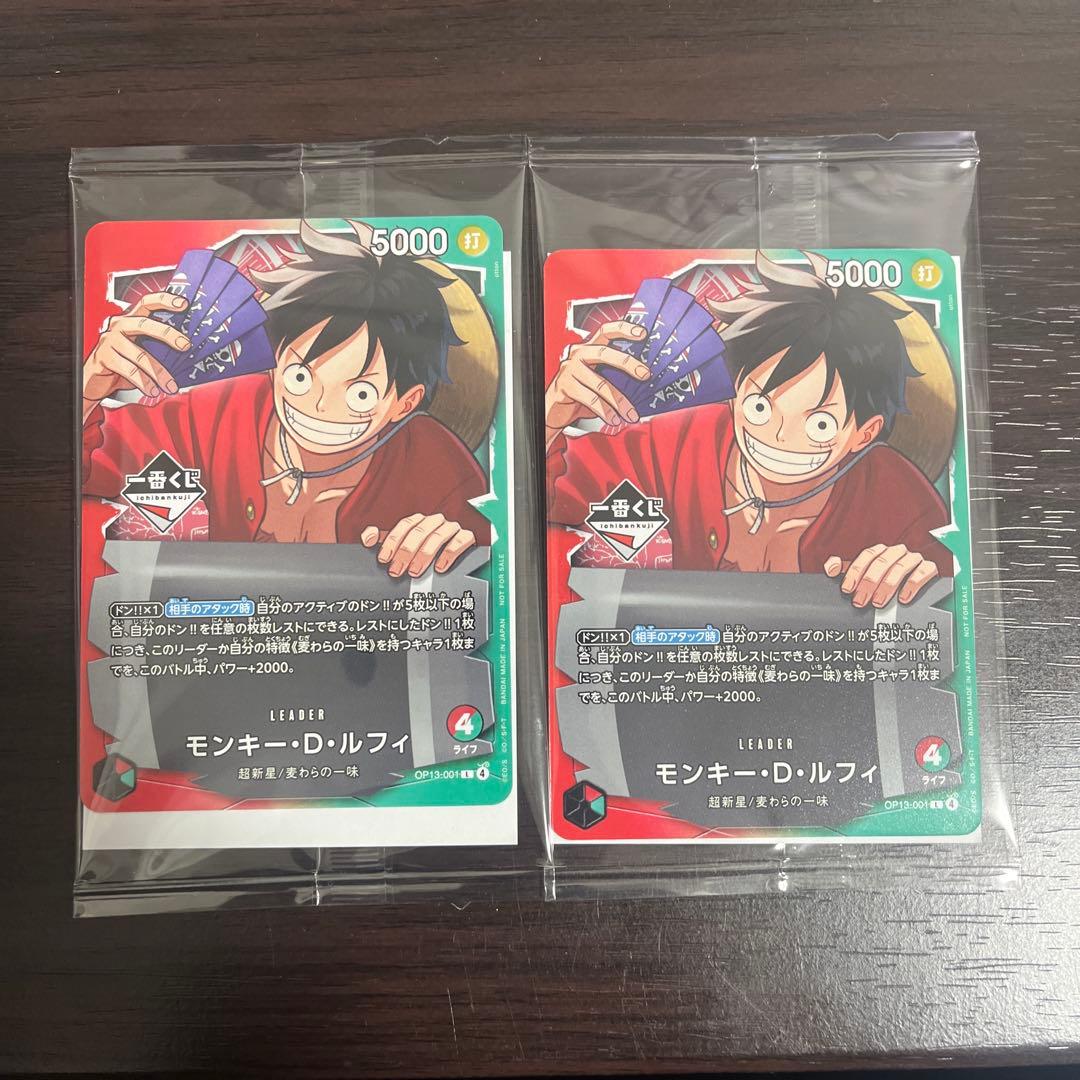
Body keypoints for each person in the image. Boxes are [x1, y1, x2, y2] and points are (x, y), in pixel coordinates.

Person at [82, 221, 489, 578]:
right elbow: (95, 464)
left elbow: (489, 564)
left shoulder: (437, 468)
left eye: (360, 394)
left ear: (405, 402)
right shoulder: (219, 414)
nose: (318, 406)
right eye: (300, 377)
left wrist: (457, 546)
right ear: (275, 362)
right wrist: (88, 389)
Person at [546, 251, 952, 609]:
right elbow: (551, 497)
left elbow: (946, 584)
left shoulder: (896, 497)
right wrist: (551, 417)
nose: (778, 435)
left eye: (820, 424)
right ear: (734, 391)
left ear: (864, 433)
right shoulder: (679, 444)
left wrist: (916, 575)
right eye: (759, 406)